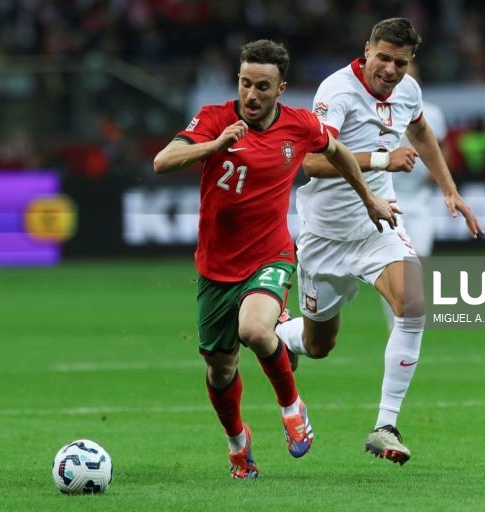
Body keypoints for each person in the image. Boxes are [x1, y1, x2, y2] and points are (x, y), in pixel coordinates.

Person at [153, 39, 401, 480]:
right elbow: (163, 161)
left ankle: (292, 407)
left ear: (280, 88)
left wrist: (369, 198)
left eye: (262, 87)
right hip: (215, 266)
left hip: (271, 253)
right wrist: (214, 146)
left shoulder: (300, 125)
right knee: (219, 367)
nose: (251, 95)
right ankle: (238, 445)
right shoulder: (214, 119)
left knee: (254, 329)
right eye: (245, 84)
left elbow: (337, 151)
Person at [276, 18, 484, 465]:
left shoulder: (408, 90)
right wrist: (383, 160)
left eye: (401, 62)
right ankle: (279, 335)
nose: (390, 69)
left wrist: (448, 187)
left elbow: (421, 131)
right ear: (366, 49)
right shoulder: (337, 92)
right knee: (319, 346)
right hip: (325, 237)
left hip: (379, 226)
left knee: (413, 304)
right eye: (384, 57)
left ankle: (385, 424)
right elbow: (311, 162)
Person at [382, 63, 450, 326]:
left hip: (420, 202)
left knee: (417, 266)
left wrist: (440, 177)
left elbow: (443, 150)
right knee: (396, 268)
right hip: (388, 200)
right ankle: (396, 327)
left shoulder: (431, 113)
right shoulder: (378, 111)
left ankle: (400, 324)